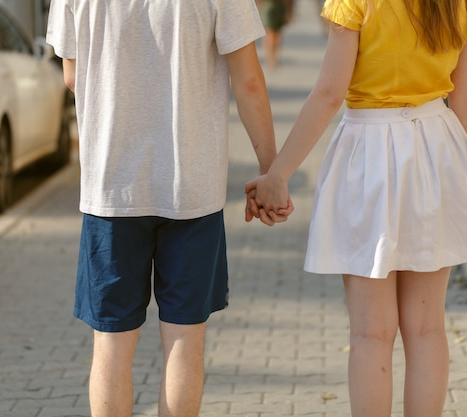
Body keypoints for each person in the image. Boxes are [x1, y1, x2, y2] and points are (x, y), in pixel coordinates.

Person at [245, 0, 467, 416]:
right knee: (427, 329)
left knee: (371, 334)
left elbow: (329, 93)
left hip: (370, 153)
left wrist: (278, 174)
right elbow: (465, 103)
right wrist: (447, 168)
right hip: (437, 145)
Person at [45, 1, 291, 416]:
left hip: (111, 191)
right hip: (192, 191)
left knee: (111, 344)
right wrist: (271, 172)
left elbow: (72, 75)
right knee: (184, 339)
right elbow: (248, 81)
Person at [257, 0, 295, 68]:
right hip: (267, 7)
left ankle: (274, 56)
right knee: (269, 34)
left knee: (277, 34)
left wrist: (289, 11)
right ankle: (269, 58)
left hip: (280, 7)